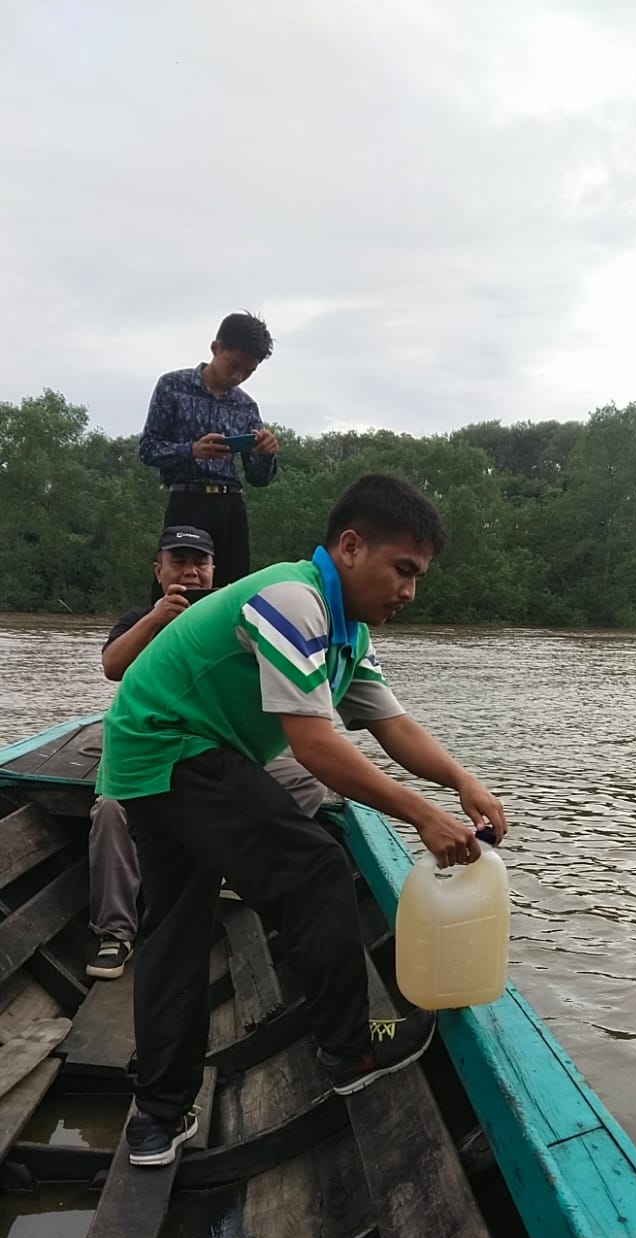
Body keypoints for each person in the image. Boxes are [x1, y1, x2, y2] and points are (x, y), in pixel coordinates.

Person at [96, 473, 508, 1167]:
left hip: (155, 757)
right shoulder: (293, 599)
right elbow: (316, 746)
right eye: (401, 570)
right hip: (174, 746)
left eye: (418, 576)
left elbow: (391, 724)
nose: (409, 591)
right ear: (349, 547)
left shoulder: (346, 634)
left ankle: (158, 1119)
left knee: (176, 929)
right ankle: (350, 1049)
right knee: (314, 868)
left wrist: (458, 779)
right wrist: (424, 818)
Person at [87, 524, 324, 980]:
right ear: (158, 570)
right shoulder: (141, 618)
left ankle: (236, 870)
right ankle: (115, 932)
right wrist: (158, 618)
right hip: (151, 748)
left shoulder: (236, 612)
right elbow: (113, 667)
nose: (192, 572)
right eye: (179, 562)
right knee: (111, 811)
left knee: (306, 782)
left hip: (221, 748)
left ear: (215, 569)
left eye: (201, 563)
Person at [139, 311, 278, 587]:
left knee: (234, 596)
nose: (238, 376)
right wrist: (192, 450)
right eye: (234, 365)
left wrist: (266, 454)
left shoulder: (246, 406)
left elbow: (257, 478)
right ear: (216, 348)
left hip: (231, 506)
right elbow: (148, 449)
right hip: (187, 503)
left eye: (248, 372)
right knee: (176, 594)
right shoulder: (172, 387)